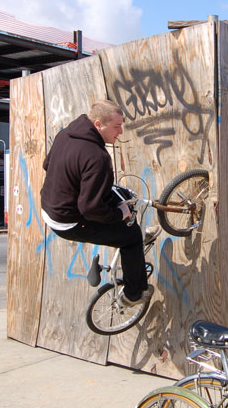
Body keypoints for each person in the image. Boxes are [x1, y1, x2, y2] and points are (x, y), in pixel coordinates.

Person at [40, 99, 155, 306]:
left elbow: (46, 164)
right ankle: (133, 294)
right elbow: (90, 208)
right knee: (131, 237)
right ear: (98, 125)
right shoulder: (97, 157)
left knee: (119, 196)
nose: (120, 132)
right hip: (69, 221)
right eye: (116, 126)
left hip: (50, 208)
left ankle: (130, 224)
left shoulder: (65, 134)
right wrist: (119, 214)